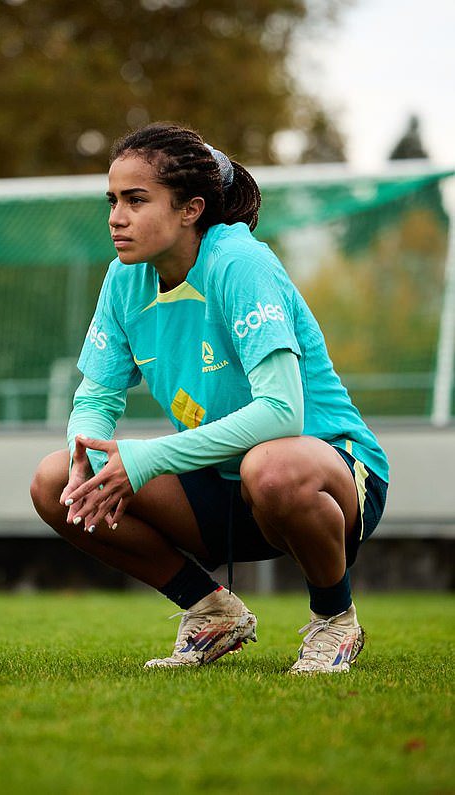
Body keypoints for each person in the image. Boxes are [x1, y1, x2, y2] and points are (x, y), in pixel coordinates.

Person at [30, 122, 388, 674]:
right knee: (56, 482)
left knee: (272, 465)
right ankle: (210, 610)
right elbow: (96, 398)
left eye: (136, 200)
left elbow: (283, 412)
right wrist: (88, 459)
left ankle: (335, 620)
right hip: (220, 484)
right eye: (112, 200)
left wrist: (146, 458)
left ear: (190, 209)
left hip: (325, 472)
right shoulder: (124, 279)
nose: (115, 217)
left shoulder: (240, 264)